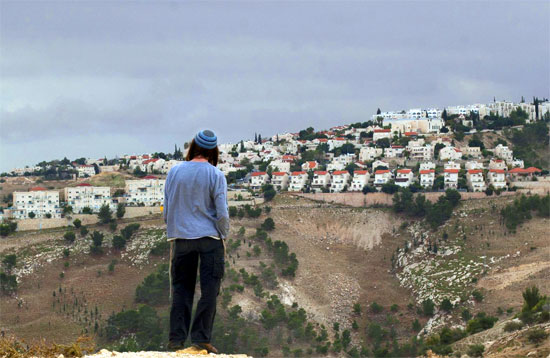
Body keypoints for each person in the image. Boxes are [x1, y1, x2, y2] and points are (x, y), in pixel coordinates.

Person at [164, 129, 229, 353]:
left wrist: (173, 228)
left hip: (182, 238)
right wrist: (224, 234)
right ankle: (201, 338)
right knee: (210, 289)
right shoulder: (215, 175)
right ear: (213, 151)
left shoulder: (174, 172)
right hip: (209, 238)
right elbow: (221, 212)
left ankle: (176, 340)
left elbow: (168, 206)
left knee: (182, 289)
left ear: (192, 147)